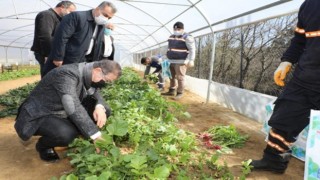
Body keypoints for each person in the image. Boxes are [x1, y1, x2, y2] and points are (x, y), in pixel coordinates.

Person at [250, 0, 320, 174]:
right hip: (305, 77)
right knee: (284, 118)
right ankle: (273, 160)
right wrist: (287, 61)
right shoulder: (309, 5)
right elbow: (299, 40)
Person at [14, 60, 122, 162]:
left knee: (104, 110)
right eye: (107, 80)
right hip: (42, 112)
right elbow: (72, 105)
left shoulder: (88, 73)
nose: (105, 84)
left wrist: (99, 107)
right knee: (66, 135)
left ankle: (82, 131)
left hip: (61, 111)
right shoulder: (66, 74)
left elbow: (96, 93)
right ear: (98, 70)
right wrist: (95, 135)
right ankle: (43, 146)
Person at [43, 1, 117, 76]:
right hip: (67, 60)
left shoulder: (101, 26)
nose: (106, 19)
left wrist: (94, 64)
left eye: (109, 17)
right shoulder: (76, 17)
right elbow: (61, 37)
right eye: (105, 15)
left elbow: (97, 45)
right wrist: (58, 57)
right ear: (97, 9)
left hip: (82, 62)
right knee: (57, 80)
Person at [31, 1, 76, 77]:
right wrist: (48, 54)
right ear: (62, 7)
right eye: (70, 11)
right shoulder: (47, 15)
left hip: (53, 53)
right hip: (46, 53)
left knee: (53, 76)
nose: (70, 14)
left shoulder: (59, 18)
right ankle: (45, 88)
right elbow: (45, 36)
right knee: (48, 76)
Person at [162, 21, 196, 100]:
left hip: (181, 61)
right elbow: (168, 48)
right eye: (175, 29)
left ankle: (180, 93)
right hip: (171, 60)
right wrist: (165, 57)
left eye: (178, 29)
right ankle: (171, 90)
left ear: (182, 29)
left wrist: (191, 60)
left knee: (180, 78)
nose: (176, 30)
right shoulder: (171, 36)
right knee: (171, 77)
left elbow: (192, 49)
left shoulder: (187, 37)